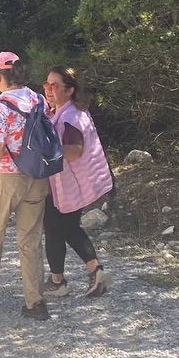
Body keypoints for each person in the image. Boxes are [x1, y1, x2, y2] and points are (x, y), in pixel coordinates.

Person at [0, 52, 50, 321]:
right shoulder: (39, 99)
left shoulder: (0, 108)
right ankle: (35, 302)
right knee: (31, 240)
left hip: (5, 178)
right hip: (37, 175)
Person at [42, 66, 113, 298]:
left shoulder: (70, 117)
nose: (48, 89)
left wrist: (47, 150)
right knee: (55, 228)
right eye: (46, 84)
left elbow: (75, 150)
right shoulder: (65, 111)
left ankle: (92, 271)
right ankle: (58, 281)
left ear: (69, 90)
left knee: (62, 227)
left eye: (54, 86)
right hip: (67, 184)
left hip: (70, 186)